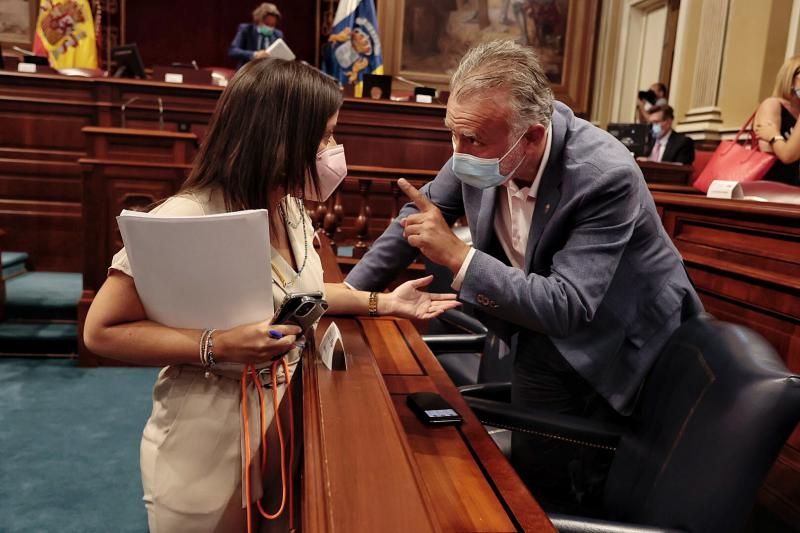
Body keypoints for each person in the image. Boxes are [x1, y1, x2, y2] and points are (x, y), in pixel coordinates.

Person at [83, 58, 458, 533]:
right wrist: (215, 345)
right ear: (280, 138)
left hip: (281, 424)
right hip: (206, 440)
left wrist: (383, 303)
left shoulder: (289, 207)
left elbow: (299, 293)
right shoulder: (184, 216)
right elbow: (102, 332)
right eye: (324, 136)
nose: (334, 150)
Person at [345, 40, 702, 510]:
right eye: (453, 134)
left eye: (471, 141)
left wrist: (459, 257)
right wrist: (344, 296)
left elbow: (569, 306)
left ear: (532, 137)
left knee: (583, 484)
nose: (458, 153)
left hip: (619, 337)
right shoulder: (479, 143)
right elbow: (416, 218)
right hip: (542, 328)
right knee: (532, 470)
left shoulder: (603, 174)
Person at [754, 55, 800, 186]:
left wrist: (773, 135)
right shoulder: (773, 105)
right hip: (771, 184)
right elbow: (766, 150)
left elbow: (787, 155)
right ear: (790, 79)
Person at [229, 3, 285, 69]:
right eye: (267, 24)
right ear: (258, 20)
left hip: (268, 72)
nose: (270, 27)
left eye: (272, 25)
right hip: (248, 71)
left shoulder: (278, 34)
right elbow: (233, 51)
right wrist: (255, 54)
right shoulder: (246, 29)